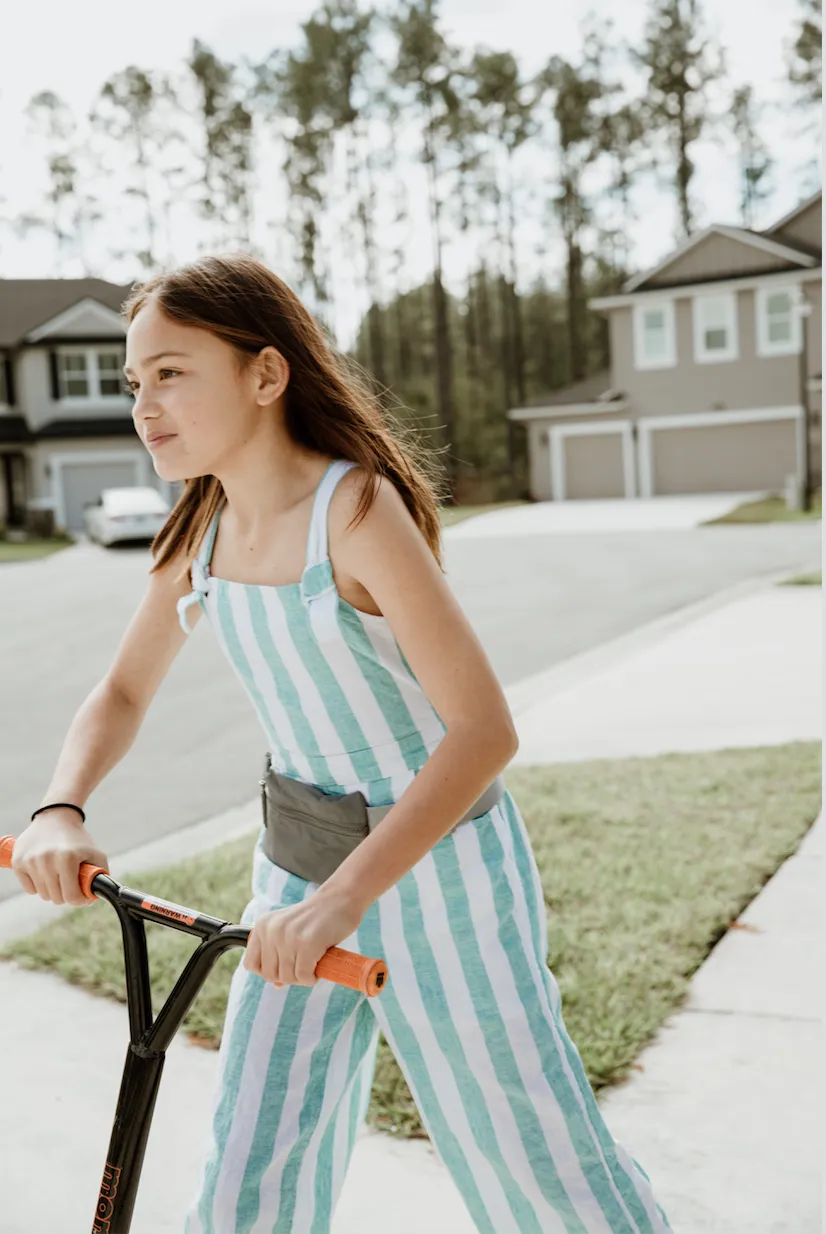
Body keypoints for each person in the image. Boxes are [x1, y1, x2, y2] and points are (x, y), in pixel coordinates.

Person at [11, 254, 672, 1234]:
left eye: (171, 372)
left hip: (438, 873)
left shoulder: (353, 510)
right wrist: (60, 805)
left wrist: (341, 900)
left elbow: (483, 730)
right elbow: (118, 691)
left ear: (266, 374)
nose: (144, 403)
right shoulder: (200, 528)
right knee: (250, 1168)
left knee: (529, 1162)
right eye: (133, 381)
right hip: (295, 875)